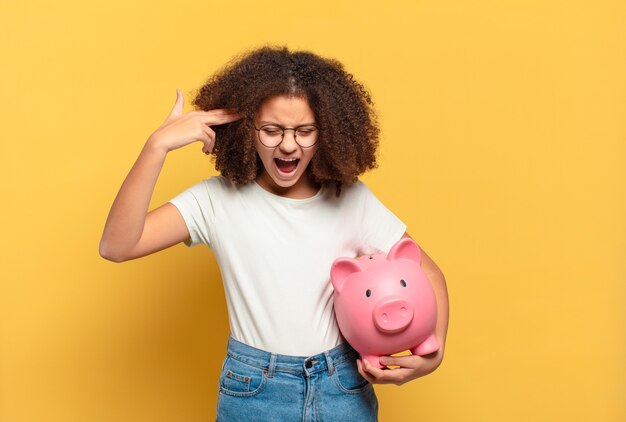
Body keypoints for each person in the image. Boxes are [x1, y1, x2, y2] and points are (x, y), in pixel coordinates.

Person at [99, 46, 449, 421]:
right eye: (271, 130)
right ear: (247, 129)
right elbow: (117, 246)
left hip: (342, 387)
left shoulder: (350, 198)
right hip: (253, 391)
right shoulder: (216, 200)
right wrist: (157, 146)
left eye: (304, 131)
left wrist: (434, 352)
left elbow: (427, 273)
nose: (287, 144)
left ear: (327, 131)